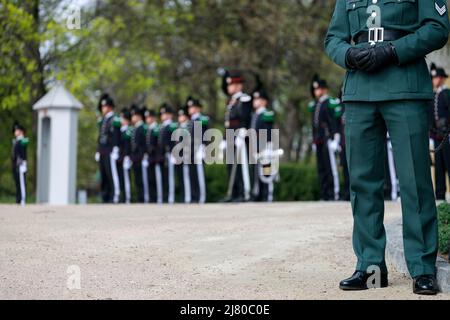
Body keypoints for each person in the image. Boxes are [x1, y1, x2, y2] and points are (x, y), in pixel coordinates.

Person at [325, 0, 449, 294]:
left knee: (414, 181)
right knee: (362, 182)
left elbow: (437, 27)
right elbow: (333, 39)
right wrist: (350, 55)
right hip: (359, 90)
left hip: (404, 85)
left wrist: (394, 50)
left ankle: (421, 268)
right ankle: (369, 266)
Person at [221, 70, 253, 203]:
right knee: (230, 164)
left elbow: (245, 117)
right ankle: (233, 193)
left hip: (240, 135)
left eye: (232, 85)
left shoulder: (244, 99)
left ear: (239, 85)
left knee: (241, 165)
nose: (229, 87)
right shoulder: (231, 101)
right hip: (230, 135)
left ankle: (244, 192)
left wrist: (243, 130)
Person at [310, 77, 341, 201]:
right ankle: (325, 193)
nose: (316, 91)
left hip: (328, 138)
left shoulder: (330, 102)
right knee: (321, 168)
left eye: (319, 89)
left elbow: (334, 121)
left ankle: (334, 193)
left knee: (330, 167)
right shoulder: (316, 104)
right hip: (318, 140)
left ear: (324, 89)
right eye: (315, 89)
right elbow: (314, 124)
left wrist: (336, 137)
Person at [250, 87, 276, 202]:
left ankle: (267, 195)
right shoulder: (255, 115)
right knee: (257, 172)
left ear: (264, 101)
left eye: (258, 99)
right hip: (256, 148)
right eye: (255, 99)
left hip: (265, 147)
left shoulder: (267, 113)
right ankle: (258, 195)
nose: (255, 101)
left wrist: (268, 146)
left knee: (266, 172)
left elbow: (268, 131)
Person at [429, 63, 450, 200]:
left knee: (449, 163)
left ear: (441, 78)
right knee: (439, 167)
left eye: (436, 78)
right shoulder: (433, 95)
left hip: (447, 135)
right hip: (437, 136)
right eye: (433, 78)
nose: (434, 80)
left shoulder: (447, 93)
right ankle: (440, 194)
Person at [96, 94, 121, 204]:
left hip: (110, 150)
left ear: (110, 107)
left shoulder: (114, 119)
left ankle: (115, 195)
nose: (103, 108)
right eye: (102, 107)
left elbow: (116, 135)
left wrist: (115, 148)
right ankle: (105, 196)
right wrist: (98, 150)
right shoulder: (103, 120)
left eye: (105, 106)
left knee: (112, 174)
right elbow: (100, 136)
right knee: (104, 174)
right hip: (103, 150)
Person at [187, 97, 209, 204]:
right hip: (191, 151)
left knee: (199, 175)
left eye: (193, 107)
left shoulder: (202, 119)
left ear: (198, 108)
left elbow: (206, 134)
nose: (191, 109)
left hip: (199, 149)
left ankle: (201, 196)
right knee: (193, 175)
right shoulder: (191, 121)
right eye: (190, 107)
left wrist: (204, 147)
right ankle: (194, 196)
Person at [158, 104, 178, 204]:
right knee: (164, 177)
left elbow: (175, 140)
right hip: (162, 155)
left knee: (170, 177)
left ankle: (171, 197)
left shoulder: (172, 126)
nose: (163, 116)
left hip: (170, 153)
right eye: (162, 114)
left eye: (166, 113)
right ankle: (164, 197)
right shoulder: (162, 126)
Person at [145, 109, 163, 204]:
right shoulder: (149, 129)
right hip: (149, 157)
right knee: (150, 178)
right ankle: (152, 198)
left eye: (149, 117)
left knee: (158, 179)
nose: (148, 119)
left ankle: (159, 198)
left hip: (156, 157)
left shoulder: (157, 128)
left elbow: (158, 144)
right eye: (147, 117)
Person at [130, 105, 147, 203]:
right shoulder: (136, 128)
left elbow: (144, 143)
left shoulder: (142, 127)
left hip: (141, 156)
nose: (133, 118)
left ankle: (144, 197)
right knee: (137, 178)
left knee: (142, 179)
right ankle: (140, 197)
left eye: (134, 115)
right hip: (135, 157)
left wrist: (145, 154)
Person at [176, 107, 192, 204]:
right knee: (181, 177)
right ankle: (184, 196)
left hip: (187, 153)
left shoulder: (189, 125)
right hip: (179, 154)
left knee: (188, 176)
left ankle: (189, 196)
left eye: (182, 115)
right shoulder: (179, 127)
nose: (180, 117)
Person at [118, 108, 133, 204]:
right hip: (120, 158)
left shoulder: (128, 130)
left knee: (126, 178)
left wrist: (127, 156)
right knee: (121, 179)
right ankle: (122, 197)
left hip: (126, 157)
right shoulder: (120, 131)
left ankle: (127, 197)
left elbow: (128, 145)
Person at [12, 123, 28, 206]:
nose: (15, 132)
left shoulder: (23, 140)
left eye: (17, 130)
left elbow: (23, 153)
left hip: (21, 163)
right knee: (18, 181)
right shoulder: (17, 141)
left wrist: (22, 162)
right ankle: (18, 198)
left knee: (22, 182)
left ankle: (23, 199)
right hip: (16, 164)